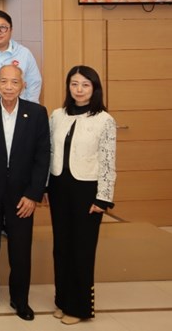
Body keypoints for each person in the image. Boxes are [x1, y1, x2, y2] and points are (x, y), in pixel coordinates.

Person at [0, 65, 50, 321]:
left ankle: (20, 300)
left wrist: (33, 195)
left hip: (22, 196)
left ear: (23, 85)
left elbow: (42, 157)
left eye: (14, 82)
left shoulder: (36, 113)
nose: (8, 87)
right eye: (3, 81)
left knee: (20, 251)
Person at [48, 65, 117, 325]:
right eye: (74, 84)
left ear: (94, 88)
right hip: (59, 187)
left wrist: (103, 198)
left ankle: (79, 307)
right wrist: (45, 187)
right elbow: (50, 152)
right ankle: (62, 301)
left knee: (82, 249)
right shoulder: (57, 115)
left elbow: (108, 161)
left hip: (87, 190)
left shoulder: (104, 120)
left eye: (85, 85)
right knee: (61, 248)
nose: (79, 89)